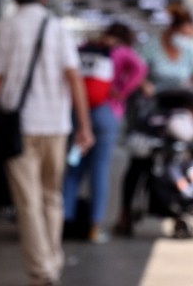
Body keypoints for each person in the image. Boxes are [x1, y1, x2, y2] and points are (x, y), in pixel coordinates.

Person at [0, 0, 94, 286]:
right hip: (56, 125)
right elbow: (74, 79)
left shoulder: (4, 29)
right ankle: (51, 262)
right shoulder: (57, 29)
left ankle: (43, 271)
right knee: (51, 197)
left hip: (18, 128)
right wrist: (84, 125)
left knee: (27, 202)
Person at [114, 5, 193, 236]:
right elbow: (135, 72)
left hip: (182, 110)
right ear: (174, 29)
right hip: (154, 110)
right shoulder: (150, 47)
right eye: (185, 33)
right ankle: (125, 212)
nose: (187, 39)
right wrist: (143, 84)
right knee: (139, 161)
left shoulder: (189, 50)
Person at [62, 22, 147, 243]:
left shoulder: (83, 47)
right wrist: (121, 92)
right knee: (99, 170)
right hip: (106, 113)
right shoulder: (121, 52)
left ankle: (65, 222)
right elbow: (140, 69)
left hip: (77, 114)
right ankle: (94, 226)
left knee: (73, 168)